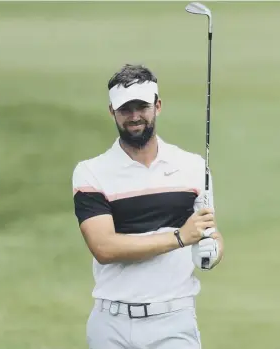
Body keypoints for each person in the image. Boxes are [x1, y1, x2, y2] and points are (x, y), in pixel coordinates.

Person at [72, 63, 224, 349]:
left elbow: (207, 232)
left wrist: (212, 251)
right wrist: (179, 238)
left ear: (158, 106)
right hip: (111, 324)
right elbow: (104, 248)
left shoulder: (192, 167)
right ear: (112, 112)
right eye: (125, 109)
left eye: (141, 106)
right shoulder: (91, 173)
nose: (134, 116)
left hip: (174, 320)